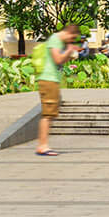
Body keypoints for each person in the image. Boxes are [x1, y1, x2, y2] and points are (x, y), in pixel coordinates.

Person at [35, 23, 81, 157]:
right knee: (48, 114)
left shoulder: (59, 42)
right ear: (69, 33)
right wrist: (69, 50)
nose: (71, 41)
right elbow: (57, 59)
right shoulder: (55, 39)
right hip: (48, 80)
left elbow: (60, 62)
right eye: (72, 38)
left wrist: (69, 53)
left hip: (52, 80)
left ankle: (43, 145)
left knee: (50, 114)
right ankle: (42, 146)